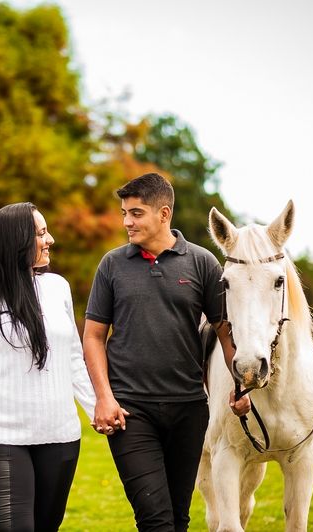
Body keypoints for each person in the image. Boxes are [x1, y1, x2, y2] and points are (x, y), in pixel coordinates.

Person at [82, 173, 250, 532]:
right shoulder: (112, 265)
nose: (127, 221)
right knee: (155, 520)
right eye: (125, 212)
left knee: (178, 518)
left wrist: (240, 384)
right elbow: (94, 337)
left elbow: (224, 332)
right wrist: (103, 398)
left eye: (136, 213)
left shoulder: (203, 263)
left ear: (163, 213)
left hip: (188, 409)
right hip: (130, 411)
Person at [0, 202, 97, 531]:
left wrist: (96, 409)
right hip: (0, 438)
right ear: (17, 240)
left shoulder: (58, 287)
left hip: (60, 437)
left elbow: (73, 357)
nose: (51, 240)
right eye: (41, 233)